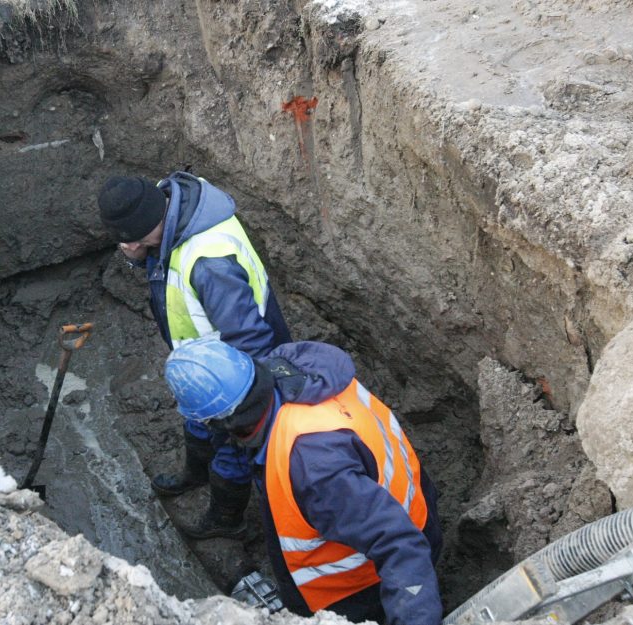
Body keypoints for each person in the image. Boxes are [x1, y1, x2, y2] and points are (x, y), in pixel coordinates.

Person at [163, 337, 443, 625]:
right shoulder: (299, 369)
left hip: (362, 582)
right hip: (417, 509)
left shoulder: (312, 468)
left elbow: (399, 545)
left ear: (225, 422)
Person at [97, 171, 292, 539]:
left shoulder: (209, 264)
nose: (125, 247)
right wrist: (139, 252)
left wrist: (245, 408)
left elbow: (250, 339)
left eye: (129, 240)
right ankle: (195, 473)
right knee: (196, 422)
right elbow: (161, 260)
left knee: (233, 453)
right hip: (202, 360)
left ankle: (226, 520)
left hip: (235, 375)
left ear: (145, 227)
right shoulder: (167, 206)